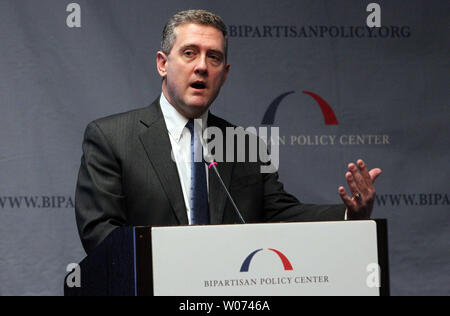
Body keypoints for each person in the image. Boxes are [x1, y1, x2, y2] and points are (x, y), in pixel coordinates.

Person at [75, 10, 382, 254]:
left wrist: (349, 216)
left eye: (214, 57)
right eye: (190, 53)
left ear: (225, 74)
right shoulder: (112, 137)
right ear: (162, 64)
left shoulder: (243, 145)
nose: (202, 67)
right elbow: (100, 232)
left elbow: (279, 215)